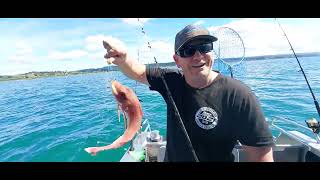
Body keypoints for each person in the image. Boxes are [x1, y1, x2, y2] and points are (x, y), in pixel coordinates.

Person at [103, 24, 274, 162]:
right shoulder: (170, 81)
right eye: (188, 50)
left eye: (204, 47)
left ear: (211, 52)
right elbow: (137, 71)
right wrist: (123, 58)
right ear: (177, 60)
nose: (198, 55)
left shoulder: (239, 95)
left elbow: (260, 156)